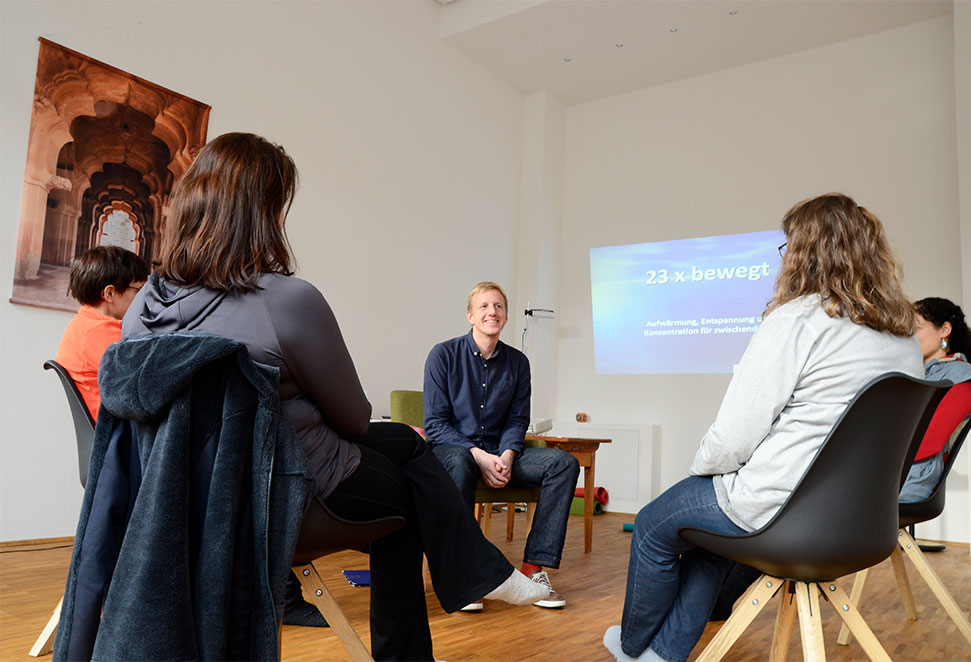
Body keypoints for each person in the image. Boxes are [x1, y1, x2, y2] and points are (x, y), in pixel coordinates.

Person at [121, 132, 547, 662]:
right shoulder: (286, 300)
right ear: (264, 212)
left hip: (183, 494)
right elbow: (354, 417)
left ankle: (478, 571)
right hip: (286, 488)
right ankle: (458, 593)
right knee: (412, 485)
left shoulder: (145, 305)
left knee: (407, 447)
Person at [603, 193, 924, 662]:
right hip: (865, 521)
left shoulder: (795, 320)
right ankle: (662, 655)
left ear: (803, 251)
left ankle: (632, 649)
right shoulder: (903, 338)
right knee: (709, 545)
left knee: (655, 523)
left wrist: (704, 471)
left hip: (779, 508)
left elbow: (732, 440)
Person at [423, 281, 580, 610]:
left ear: (506, 318)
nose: (491, 312)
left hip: (500, 452)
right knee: (458, 461)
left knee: (563, 464)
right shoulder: (443, 355)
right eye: (483, 306)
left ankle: (532, 569)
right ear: (470, 316)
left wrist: (507, 456)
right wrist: (479, 456)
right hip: (458, 453)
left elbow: (517, 421)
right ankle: (467, 576)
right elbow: (435, 425)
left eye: (498, 307)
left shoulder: (519, 363)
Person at [899, 297, 971, 503]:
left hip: (912, 477)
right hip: (891, 472)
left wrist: (880, 463)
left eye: (917, 327)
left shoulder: (961, 378)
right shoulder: (918, 374)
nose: (910, 335)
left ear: (945, 329)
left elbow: (929, 442)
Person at [55, 245, 148, 421]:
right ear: (110, 293)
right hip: (116, 434)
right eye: (139, 290)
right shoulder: (100, 333)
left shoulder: (84, 323)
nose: (143, 298)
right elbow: (140, 381)